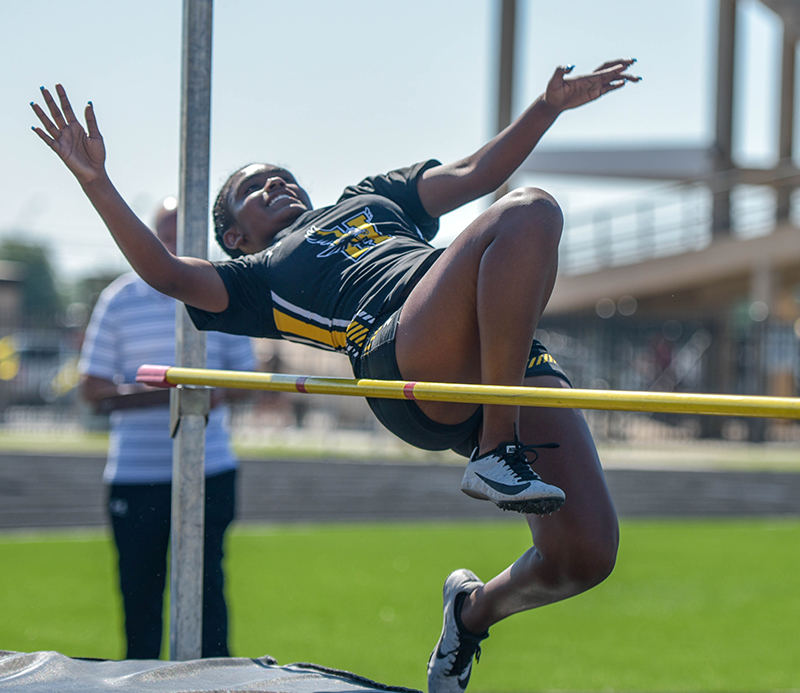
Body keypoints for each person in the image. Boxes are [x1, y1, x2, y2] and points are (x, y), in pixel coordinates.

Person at [32, 58, 639, 690]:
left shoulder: (372, 195)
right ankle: (496, 447)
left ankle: (470, 612)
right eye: (255, 188)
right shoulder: (257, 275)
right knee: (532, 210)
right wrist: (96, 181)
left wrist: (547, 106)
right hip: (401, 353)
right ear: (236, 236)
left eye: (283, 176)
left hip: (504, 360)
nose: (277, 185)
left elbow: (475, 173)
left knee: (584, 556)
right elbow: (165, 271)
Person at [78, 199, 256, 659]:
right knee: (139, 603)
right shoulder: (120, 297)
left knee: (206, 596)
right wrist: (175, 390)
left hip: (209, 469)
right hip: (136, 475)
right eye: (167, 231)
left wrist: (214, 391)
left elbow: (246, 382)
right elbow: (93, 390)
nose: (176, 241)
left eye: (187, 230)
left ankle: (217, 691)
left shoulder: (225, 293)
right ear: (152, 235)